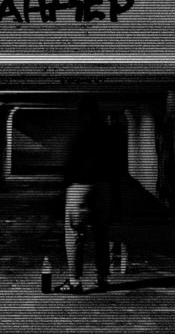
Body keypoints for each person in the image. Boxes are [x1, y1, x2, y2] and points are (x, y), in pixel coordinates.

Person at [54, 96, 121, 294]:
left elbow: (70, 165)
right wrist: (116, 198)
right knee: (102, 234)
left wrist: (65, 189)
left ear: (81, 113)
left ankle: (75, 282)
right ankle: (103, 278)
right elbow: (116, 166)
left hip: (80, 187)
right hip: (104, 187)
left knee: (75, 234)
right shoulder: (109, 134)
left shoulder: (80, 134)